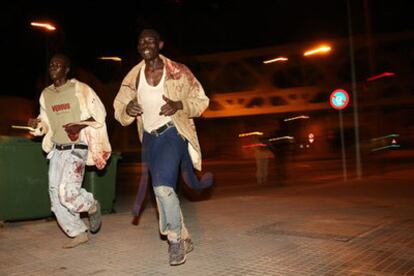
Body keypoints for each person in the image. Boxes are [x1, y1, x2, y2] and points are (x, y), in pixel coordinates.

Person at [113, 29, 210, 266]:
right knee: (160, 191)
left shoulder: (179, 71)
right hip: (149, 139)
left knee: (163, 186)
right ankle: (184, 235)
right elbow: (118, 107)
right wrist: (127, 110)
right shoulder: (132, 77)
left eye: (151, 40)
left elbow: (202, 101)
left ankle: (175, 239)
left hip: (173, 133)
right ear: (138, 47)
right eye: (141, 41)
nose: (146, 44)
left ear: (160, 44)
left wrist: (180, 104)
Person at [28, 54, 112, 249]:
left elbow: (100, 116)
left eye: (58, 65)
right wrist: (36, 125)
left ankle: (91, 204)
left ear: (67, 69)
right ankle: (78, 232)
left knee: (68, 193)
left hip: (76, 148)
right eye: (51, 64)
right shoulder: (46, 94)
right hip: (56, 150)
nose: (53, 67)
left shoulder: (81, 89)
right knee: (55, 199)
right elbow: (45, 124)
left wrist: (80, 125)